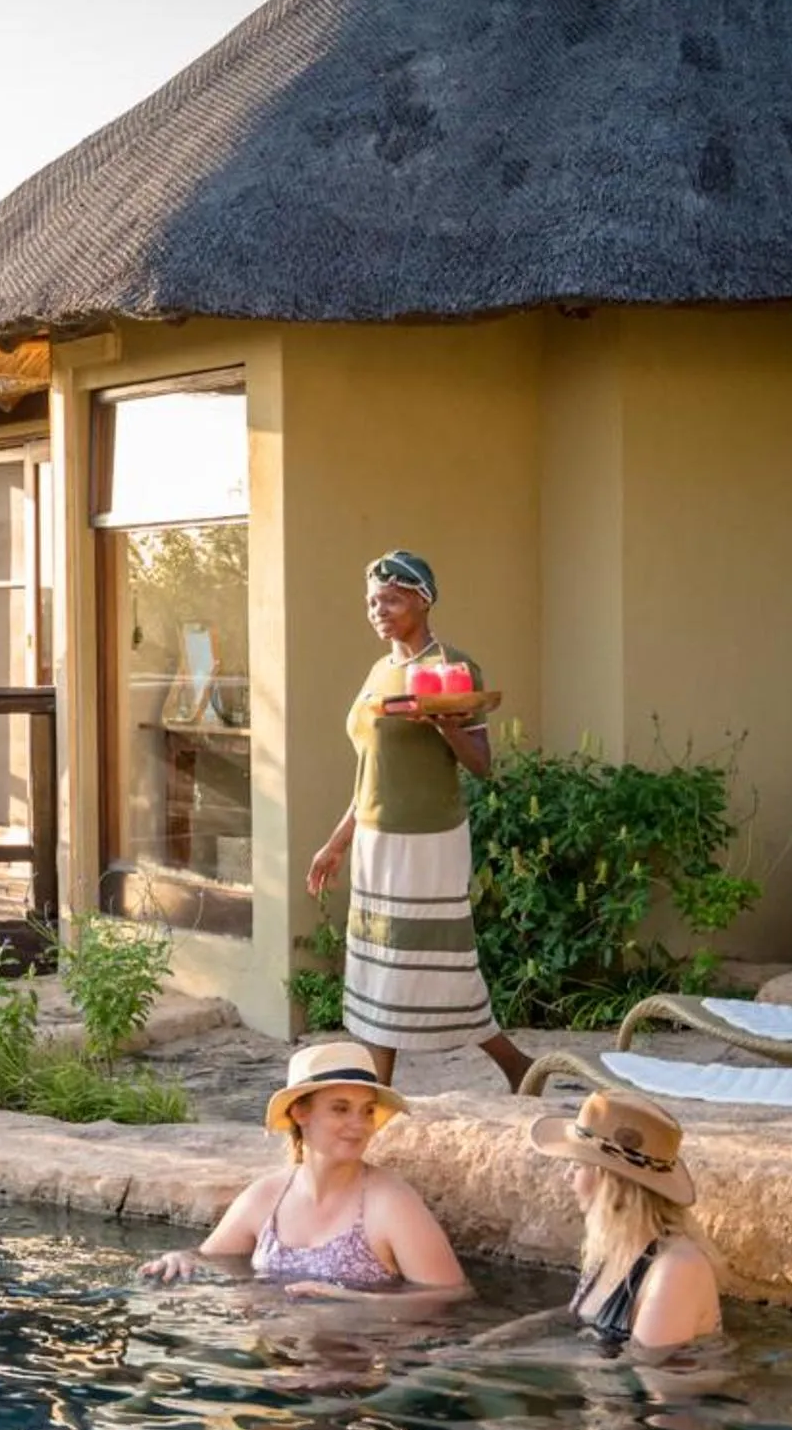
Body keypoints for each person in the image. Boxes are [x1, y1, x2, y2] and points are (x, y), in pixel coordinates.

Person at [305, 549, 532, 1092]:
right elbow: (372, 770)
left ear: (423, 601)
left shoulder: (453, 667)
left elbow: (481, 765)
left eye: (391, 600)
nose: (377, 611)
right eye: (372, 602)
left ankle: (512, 1064)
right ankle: (383, 1090)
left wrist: (445, 723)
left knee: (438, 966)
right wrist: (337, 843)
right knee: (380, 966)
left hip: (428, 840)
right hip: (376, 840)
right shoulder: (379, 671)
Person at [138, 1042, 469, 1305]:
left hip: (356, 1362)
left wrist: (360, 1303)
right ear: (300, 1113)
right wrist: (179, 1258)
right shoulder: (266, 1197)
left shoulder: (390, 1203)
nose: (358, 1125)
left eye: (367, 1111)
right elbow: (208, 1259)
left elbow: (453, 1296)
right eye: (340, 1108)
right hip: (277, 1360)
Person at [529, 1089, 721, 1350]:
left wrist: (522, 1359)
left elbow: (648, 1366)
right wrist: (497, 1342)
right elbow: (582, 1317)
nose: (567, 1176)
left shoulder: (677, 1269)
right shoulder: (616, 1244)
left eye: (578, 1165)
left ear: (614, 1184)